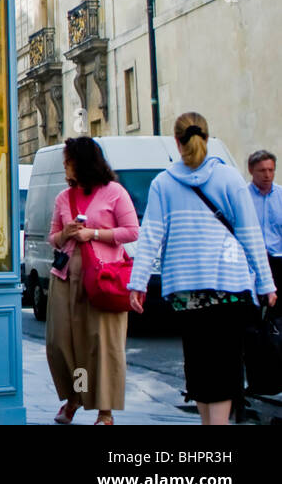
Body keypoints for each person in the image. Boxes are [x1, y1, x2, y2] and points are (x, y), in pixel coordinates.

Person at [128, 112, 277, 425]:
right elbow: (251, 234)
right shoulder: (230, 178)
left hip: (186, 287)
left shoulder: (163, 182)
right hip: (229, 284)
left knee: (198, 360)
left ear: (176, 141)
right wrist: (266, 283)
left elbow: (151, 236)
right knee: (226, 361)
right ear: (206, 138)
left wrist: (138, 283)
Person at [45, 137, 139, 425]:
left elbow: (132, 231)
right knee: (63, 343)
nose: (64, 168)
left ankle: (105, 411)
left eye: (68, 162)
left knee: (102, 343)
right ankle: (77, 396)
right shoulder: (64, 197)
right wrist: (67, 234)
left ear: (82, 163)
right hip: (66, 277)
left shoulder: (114, 192)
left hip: (103, 276)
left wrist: (94, 234)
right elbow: (53, 238)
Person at [245, 150, 282, 298]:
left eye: (271, 170)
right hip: (253, 262)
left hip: (278, 260)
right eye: (262, 170)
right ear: (251, 170)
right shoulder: (243, 196)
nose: (267, 175)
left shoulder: (280, 196)